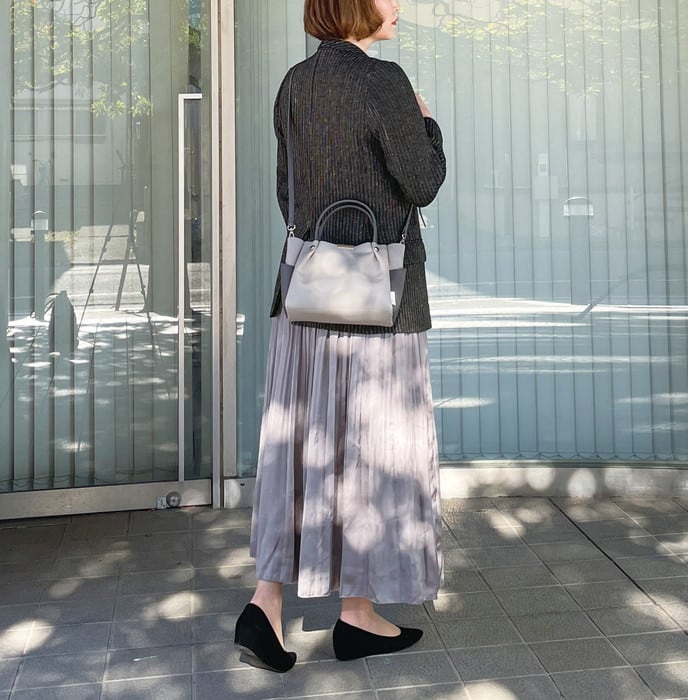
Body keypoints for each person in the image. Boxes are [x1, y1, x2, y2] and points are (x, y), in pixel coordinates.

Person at [234, 0, 447, 673]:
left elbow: (289, 195)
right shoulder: (385, 82)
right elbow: (422, 182)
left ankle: (271, 604)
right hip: (377, 304)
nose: (398, 5)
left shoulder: (295, 83)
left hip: (307, 299)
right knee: (373, 452)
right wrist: (428, 124)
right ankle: (355, 614)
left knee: (300, 450)